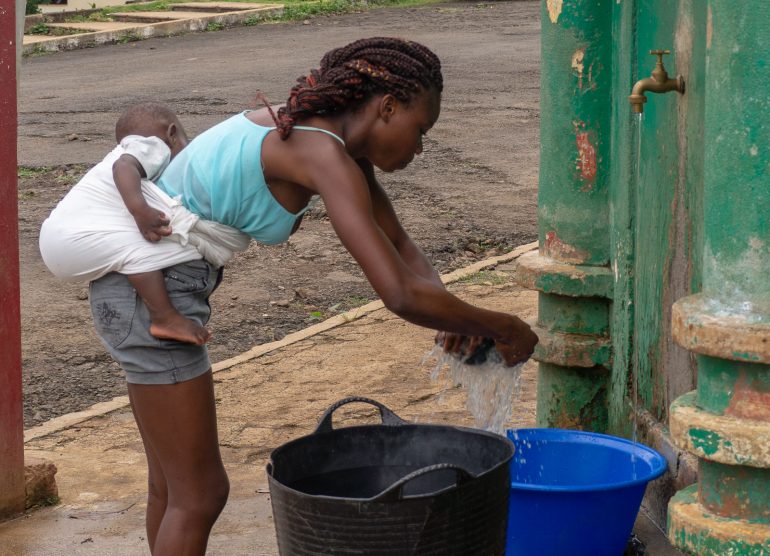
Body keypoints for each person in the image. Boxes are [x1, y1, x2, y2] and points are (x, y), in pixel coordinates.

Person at [82, 37, 538, 555]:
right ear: (388, 107)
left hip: (143, 286)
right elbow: (399, 294)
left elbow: (400, 244)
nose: (418, 148)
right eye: (421, 130)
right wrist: (504, 325)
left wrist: (453, 315)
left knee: (172, 485)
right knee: (201, 494)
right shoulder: (319, 151)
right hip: (152, 292)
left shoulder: (330, 144)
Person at [40, 103, 250, 346]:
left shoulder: (121, 157)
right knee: (141, 249)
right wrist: (140, 210)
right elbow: (124, 168)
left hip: (59, 241)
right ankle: (165, 318)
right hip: (69, 240)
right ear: (171, 133)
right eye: (185, 142)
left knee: (134, 248)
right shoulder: (152, 145)